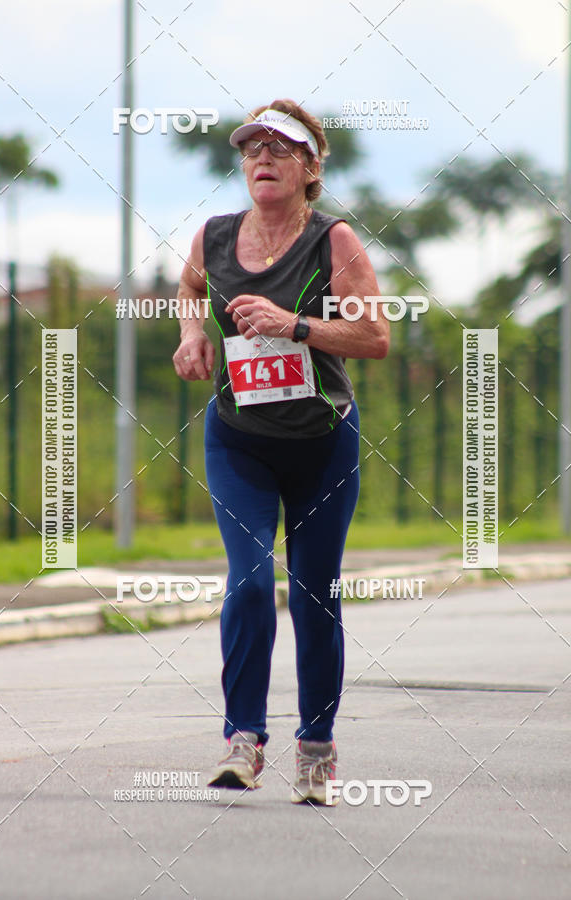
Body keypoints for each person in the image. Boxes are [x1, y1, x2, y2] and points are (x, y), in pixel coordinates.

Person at [173, 99, 389, 805]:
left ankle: (317, 746)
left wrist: (293, 325)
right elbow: (190, 287)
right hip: (239, 439)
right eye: (252, 148)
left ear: (309, 166)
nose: (262, 157)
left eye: (279, 148)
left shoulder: (334, 241)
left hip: (322, 443)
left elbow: (375, 337)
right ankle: (243, 739)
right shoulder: (214, 235)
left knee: (314, 593)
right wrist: (193, 335)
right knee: (247, 580)